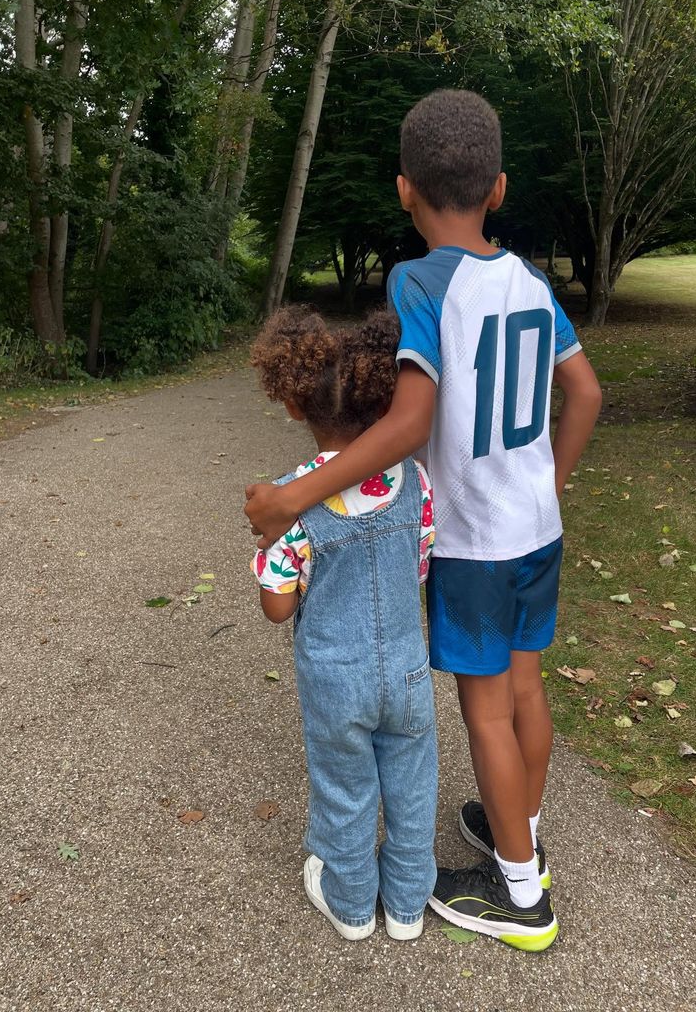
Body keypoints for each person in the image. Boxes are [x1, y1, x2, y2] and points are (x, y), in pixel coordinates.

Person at [245, 89, 602, 950]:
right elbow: (585, 392)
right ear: (501, 189)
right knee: (524, 686)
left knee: (484, 709)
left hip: (478, 542)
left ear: (405, 190)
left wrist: (295, 495)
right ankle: (516, 824)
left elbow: (408, 424)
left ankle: (522, 896)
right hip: (536, 529)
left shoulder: (417, 280)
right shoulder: (528, 279)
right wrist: (547, 485)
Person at [251, 306, 437, 943]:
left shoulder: (293, 496)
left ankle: (352, 903)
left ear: (296, 407)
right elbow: (420, 562)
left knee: (344, 783)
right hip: (407, 666)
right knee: (412, 782)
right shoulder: (414, 479)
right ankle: (409, 905)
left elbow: (278, 604)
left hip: (335, 675)